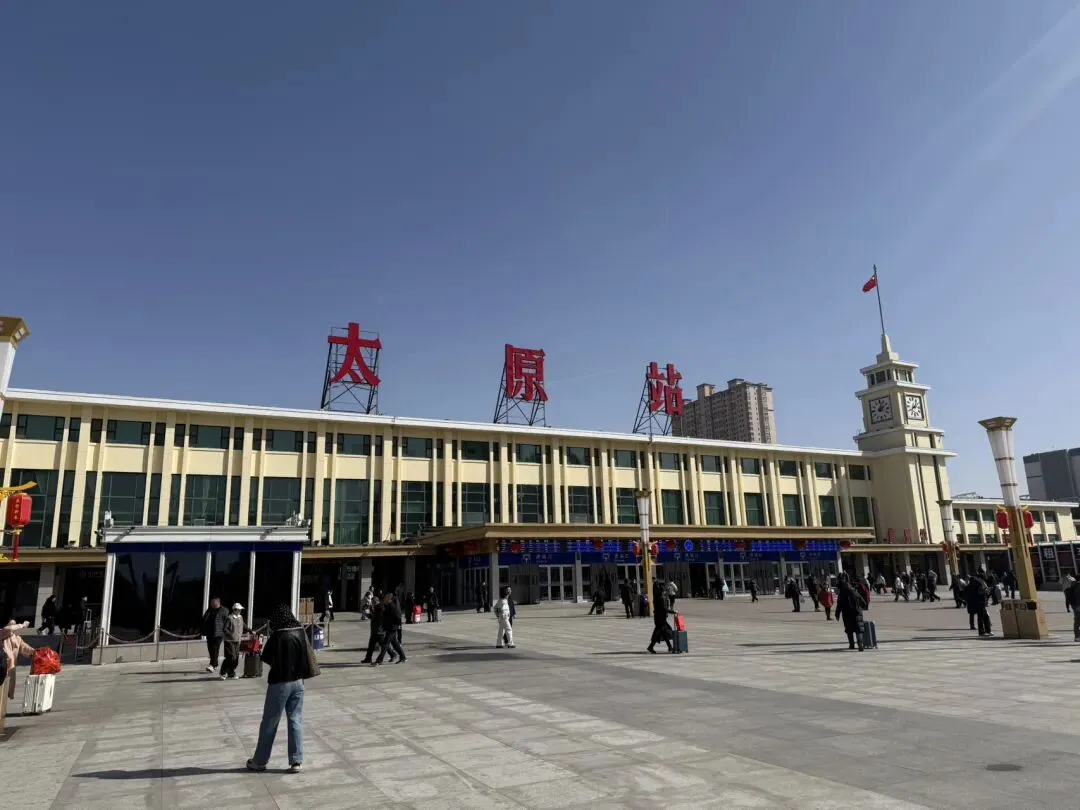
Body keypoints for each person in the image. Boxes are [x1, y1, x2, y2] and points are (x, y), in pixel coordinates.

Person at [246, 605, 317, 774]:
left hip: (280, 682)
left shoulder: (278, 635)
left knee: (270, 721)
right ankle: (296, 760)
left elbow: (266, 657)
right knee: (295, 720)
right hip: (298, 682)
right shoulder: (300, 631)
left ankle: (260, 760)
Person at [1, 620, 36, 713]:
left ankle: (2, 712)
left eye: (14, 625)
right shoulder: (3, 634)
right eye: (12, 624)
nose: (14, 627)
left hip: (10, 669)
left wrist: (36, 652)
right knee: (2, 689)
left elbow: (25, 648)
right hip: (2, 666)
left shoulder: (17, 638)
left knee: (5, 692)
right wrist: (22, 625)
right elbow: (8, 629)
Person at [835, 574, 868, 651]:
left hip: (847, 614)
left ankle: (852, 644)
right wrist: (862, 607)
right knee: (858, 629)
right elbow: (862, 600)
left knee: (849, 629)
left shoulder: (842, 593)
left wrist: (837, 614)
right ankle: (860, 644)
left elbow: (839, 605)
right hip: (857, 613)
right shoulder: (854, 590)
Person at [373, 594, 406, 665]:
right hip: (389, 627)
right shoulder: (387, 606)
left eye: (386, 598)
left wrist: (398, 626)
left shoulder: (392, 607)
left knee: (385, 643)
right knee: (395, 644)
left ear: (390, 599)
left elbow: (398, 617)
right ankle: (403, 657)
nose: (385, 599)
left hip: (392, 628)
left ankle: (379, 660)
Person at [201, 597, 228, 673]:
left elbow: (227, 622)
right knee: (210, 649)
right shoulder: (209, 610)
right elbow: (204, 619)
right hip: (209, 633)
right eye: (211, 603)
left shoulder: (224, 610)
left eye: (213, 602)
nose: (211, 604)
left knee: (215, 649)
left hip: (218, 634)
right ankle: (214, 664)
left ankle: (213, 665)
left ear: (218, 603)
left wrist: (225, 631)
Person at [220, 603, 245, 680]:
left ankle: (231, 673)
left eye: (240, 610)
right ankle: (223, 672)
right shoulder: (230, 618)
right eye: (239, 610)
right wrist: (231, 634)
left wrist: (250, 631)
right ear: (235, 610)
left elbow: (243, 625)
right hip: (229, 640)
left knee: (236, 658)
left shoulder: (240, 617)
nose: (240, 611)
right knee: (231, 657)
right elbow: (225, 628)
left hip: (237, 640)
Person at [647, 583, 673, 654]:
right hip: (661, 619)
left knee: (664, 632)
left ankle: (670, 647)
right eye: (664, 590)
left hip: (659, 618)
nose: (665, 592)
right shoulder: (661, 598)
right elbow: (664, 609)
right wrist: (673, 611)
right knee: (659, 632)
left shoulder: (656, 597)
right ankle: (651, 646)